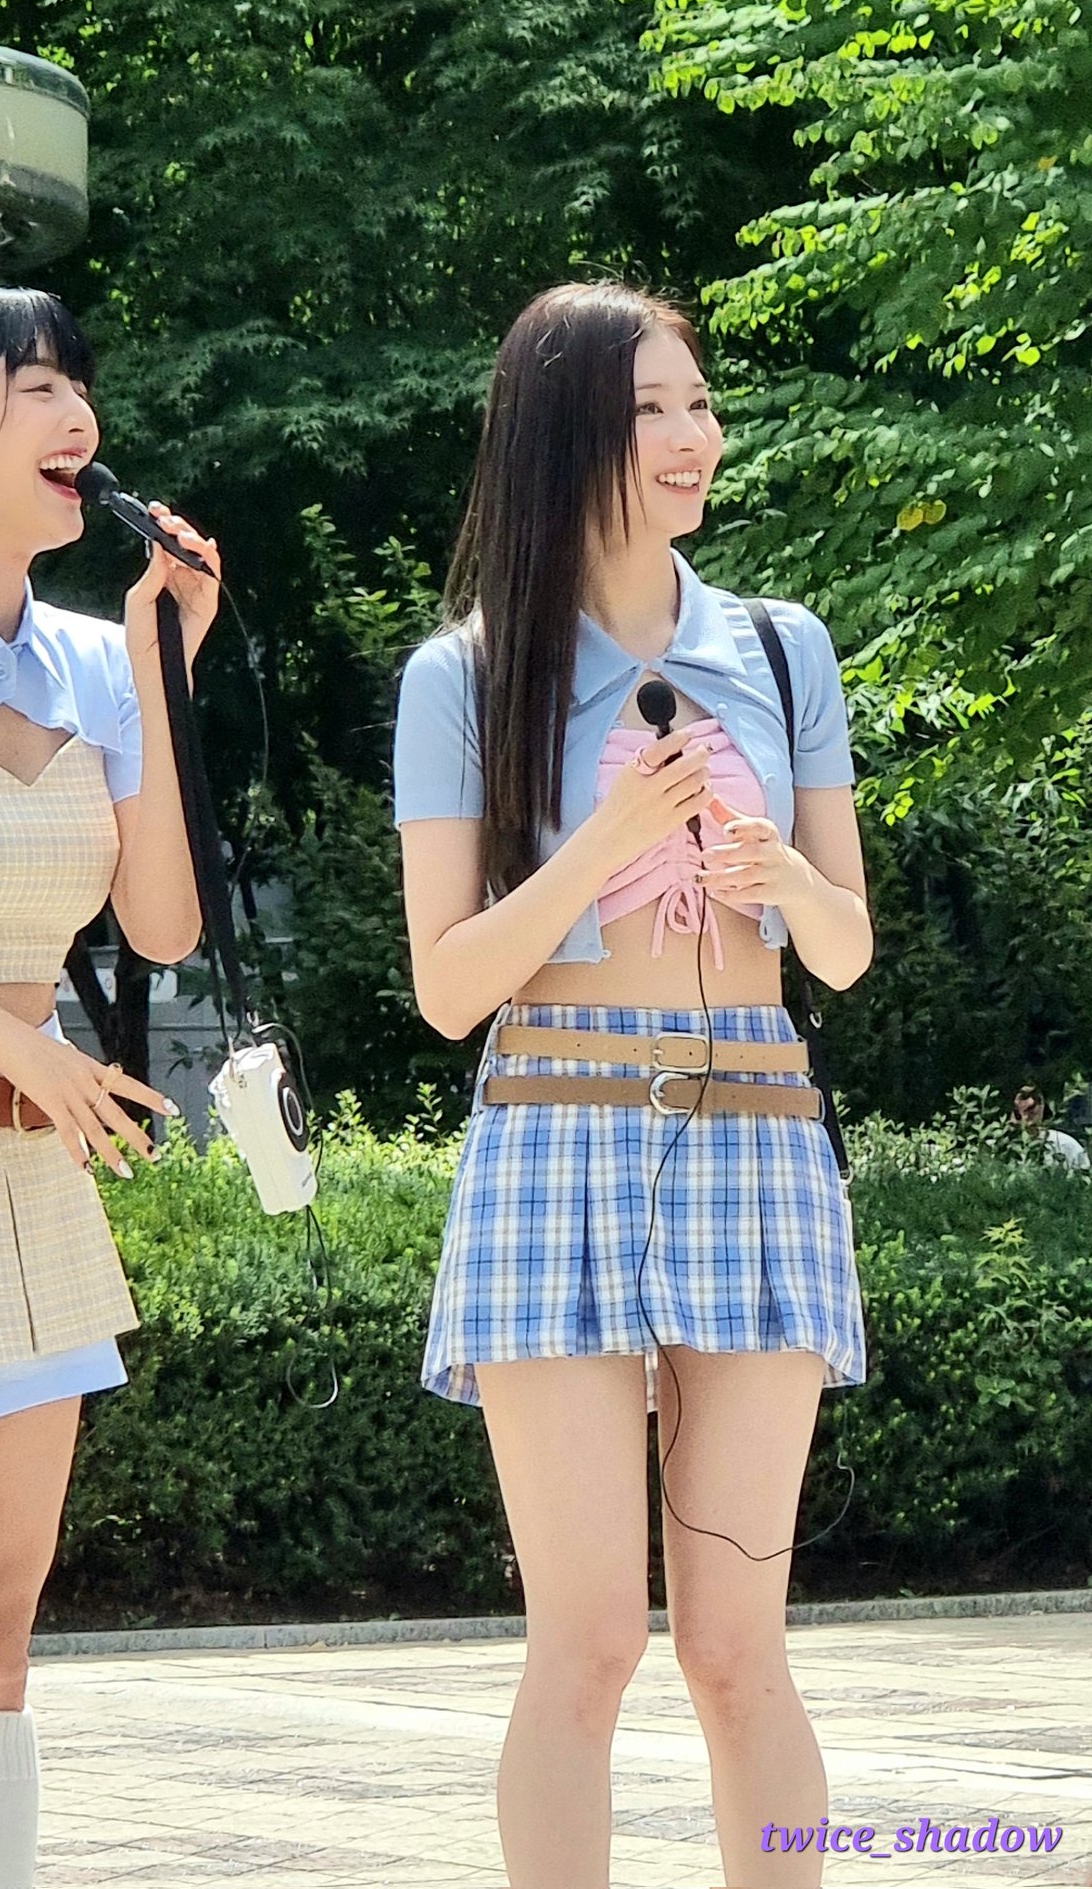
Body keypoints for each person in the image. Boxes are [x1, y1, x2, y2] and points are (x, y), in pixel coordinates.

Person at [393, 281, 873, 1889]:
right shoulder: (466, 677)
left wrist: (781, 880)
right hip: (553, 1135)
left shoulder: (783, 653)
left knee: (738, 1648)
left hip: (758, 1137)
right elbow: (449, 987)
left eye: (699, 403)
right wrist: (609, 838)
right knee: (589, 1641)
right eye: (649, 409)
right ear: (561, 437)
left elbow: (846, 950)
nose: (692, 437)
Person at [0, 286, 220, 1889]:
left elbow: (164, 924)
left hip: (24, 1193)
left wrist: (161, 662)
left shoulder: (94, 662)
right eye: (32, 387)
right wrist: (2, 1039)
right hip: (2, 1101)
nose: (77, 419)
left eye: (78, 389)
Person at [1011, 1084, 1090, 1171]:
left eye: (1031, 1109)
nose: (1026, 1116)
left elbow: (1085, 1174)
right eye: (1019, 1111)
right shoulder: (1006, 1147)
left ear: (1042, 1106)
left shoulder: (1065, 1144)